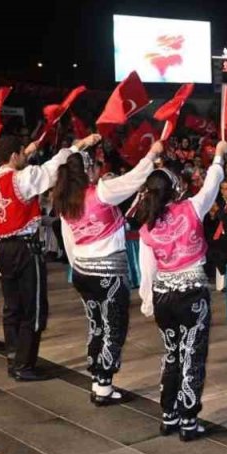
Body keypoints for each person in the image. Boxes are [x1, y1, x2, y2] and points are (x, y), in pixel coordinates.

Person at [0, 133, 97, 380]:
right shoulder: (22, 178)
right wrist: (76, 146)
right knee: (33, 307)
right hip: (25, 249)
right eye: (22, 153)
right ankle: (25, 364)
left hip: (3, 248)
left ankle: (14, 357)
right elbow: (51, 169)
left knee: (12, 306)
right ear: (14, 156)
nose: (25, 157)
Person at [53, 137, 160, 404]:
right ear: (87, 170)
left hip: (83, 271)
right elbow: (133, 179)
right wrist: (151, 154)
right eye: (93, 166)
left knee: (96, 324)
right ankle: (104, 384)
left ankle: (97, 375)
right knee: (113, 326)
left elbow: (70, 241)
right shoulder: (99, 192)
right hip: (107, 271)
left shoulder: (66, 202)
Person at [136, 140, 227, 438]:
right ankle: (188, 419)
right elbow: (212, 186)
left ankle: (168, 414)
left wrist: (147, 301)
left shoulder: (147, 226)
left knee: (171, 353)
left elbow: (147, 268)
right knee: (193, 354)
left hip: (164, 294)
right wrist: (218, 157)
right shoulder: (190, 208)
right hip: (191, 293)